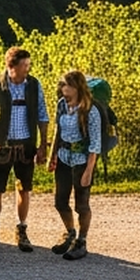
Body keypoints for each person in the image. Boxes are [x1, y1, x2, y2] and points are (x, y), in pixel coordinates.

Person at [0, 46, 49, 252]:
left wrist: (43, 144)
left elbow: (43, 115)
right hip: (2, 145)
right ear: (11, 66)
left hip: (26, 144)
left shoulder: (33, 85)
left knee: (24, 187)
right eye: (24, 65)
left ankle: (22, 231)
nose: (27, 69)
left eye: (28, 65)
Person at [51, 71, 103, 260]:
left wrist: (89, 171)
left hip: (82, 161)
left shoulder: (91, 111)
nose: (65, 90)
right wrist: (52, 156)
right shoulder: (62, 106)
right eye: (63, 85)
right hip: (64, 157)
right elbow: (57, 130)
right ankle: (70, 233)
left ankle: (81, 241)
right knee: (60, 201)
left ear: (77, 88)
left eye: (69, 86)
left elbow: (95, 144)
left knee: (82, 205)